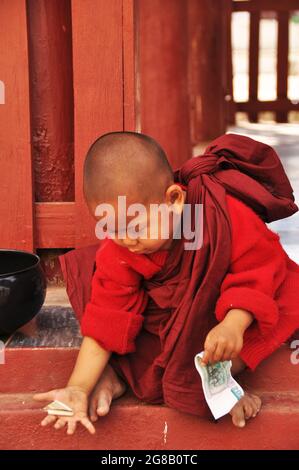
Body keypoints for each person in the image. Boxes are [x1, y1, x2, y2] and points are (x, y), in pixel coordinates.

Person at [34, 131, 299, 435]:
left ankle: (223, 385)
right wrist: (78, 387)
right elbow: (108, 316)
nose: (126, 240)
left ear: (173, 199)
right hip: (180, 324)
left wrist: (234, 324)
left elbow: (259, 271)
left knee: (278, 306)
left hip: (235, 310)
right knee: (135, 324)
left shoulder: (220, 214)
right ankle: (117, 377)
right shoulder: (121, 248)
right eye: (112, 228)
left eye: (135, 227)